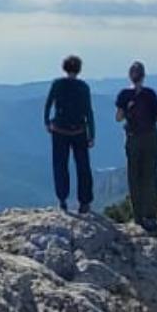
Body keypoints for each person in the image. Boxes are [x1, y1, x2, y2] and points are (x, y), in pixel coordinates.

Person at [115, 61, 157, 230]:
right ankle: (151, 215)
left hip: (133, 137)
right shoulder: (150, 94)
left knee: (134, 176)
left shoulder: (124, 94)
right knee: (150, 176)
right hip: (150, 136)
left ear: (130, 76)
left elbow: (119, 117)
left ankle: (138, 216)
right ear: (144, 76)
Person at [44, 54, 94, 213]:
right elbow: (89, 112)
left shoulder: (57, 84)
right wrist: (91, 134)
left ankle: (62, 199)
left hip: (59, 130)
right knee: (83, 167)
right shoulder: (84, 87)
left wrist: (47, 122)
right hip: (79, 130)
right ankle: (84, 202)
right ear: (79, 69)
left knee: (60, 165)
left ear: (64, 68)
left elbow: (48, 104)